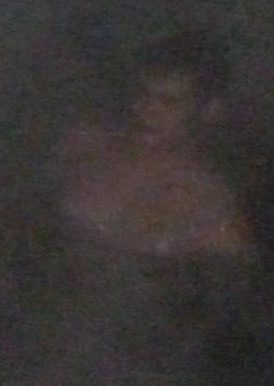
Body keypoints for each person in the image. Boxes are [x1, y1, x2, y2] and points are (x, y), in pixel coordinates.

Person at [54, 32, 255, 262]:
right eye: (143, 94)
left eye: (169, 102)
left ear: (209, 111)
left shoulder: (212, 208)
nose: (146, 110)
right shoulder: (87, 147)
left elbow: (223, 274)